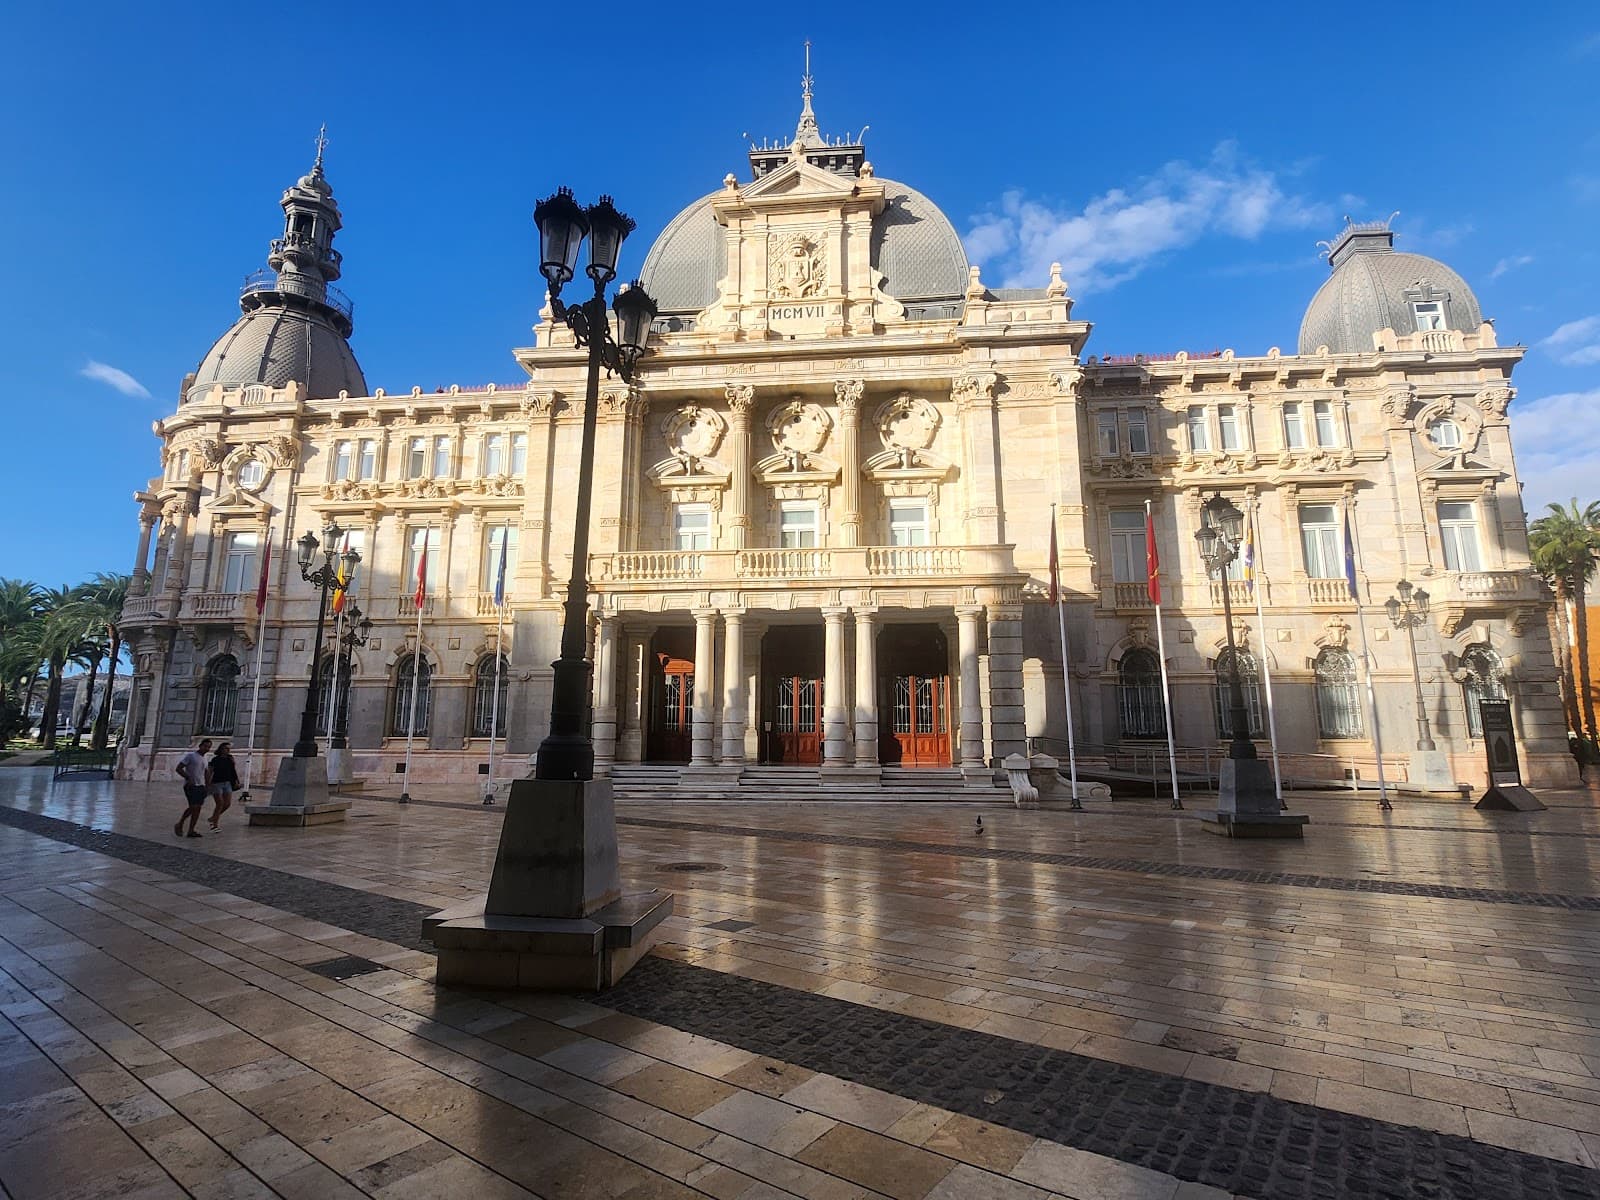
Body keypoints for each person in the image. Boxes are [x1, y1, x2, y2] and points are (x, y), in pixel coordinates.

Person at [174, 738, 212, 838]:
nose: (207, 748)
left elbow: (206, 772)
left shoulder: (205, 759)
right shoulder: (191, 756)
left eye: (209, 747)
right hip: (191, 786)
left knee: (197, 808)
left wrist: (208, 786)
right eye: (205, 746)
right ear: (200, 746)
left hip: (201, 786)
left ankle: (191, 830)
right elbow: (179, 768)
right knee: (193, 807)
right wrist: (187, 777)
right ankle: (180, 823)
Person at [208, 742, 239, 829]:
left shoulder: (230, 759)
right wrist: (208, 783)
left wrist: (236, 781)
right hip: (217, 783)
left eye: (229, 749)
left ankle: (214, 817)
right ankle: (215, 823)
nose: (228, 750)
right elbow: (210, 771)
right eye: (226, 748)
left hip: (227, 783)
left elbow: (233, 770)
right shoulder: (215, 760)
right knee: (220, 803)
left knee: (227, 804)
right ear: (221, 749)